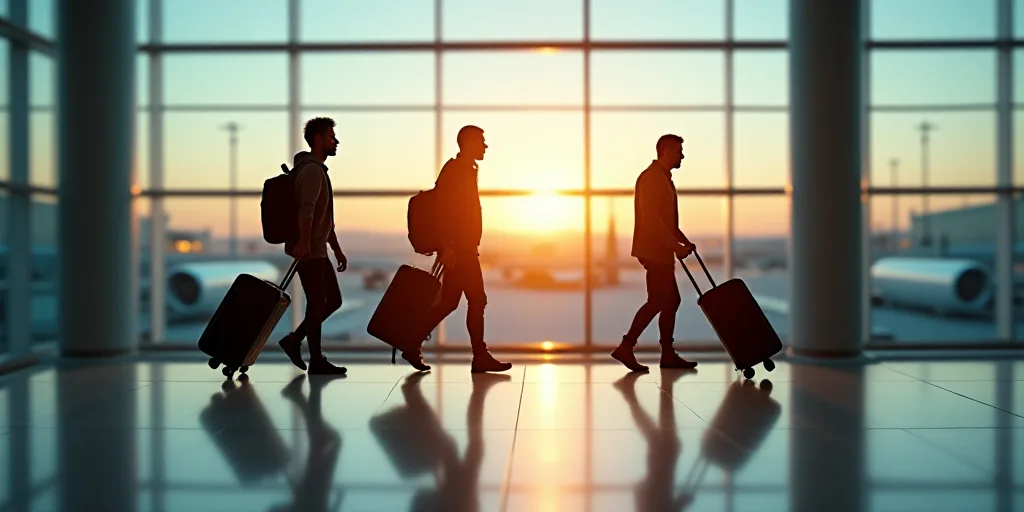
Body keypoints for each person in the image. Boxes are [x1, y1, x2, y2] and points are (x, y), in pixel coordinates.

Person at [400, 125, 512, 374]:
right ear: (469, 142)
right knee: (477, 300)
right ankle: (479, 356)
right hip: (460, 250)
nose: (485, 146)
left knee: (450, 302)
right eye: (482, 141)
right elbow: (445, 212)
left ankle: (411, 342)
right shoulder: (457, 170)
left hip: (463, 247)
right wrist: (448, 245)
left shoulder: (466, 169)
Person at [611, 134, 699, 372]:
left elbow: (665, 221)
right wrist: (675, 247)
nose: (682, 155)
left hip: (661, 249)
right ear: (667, 151)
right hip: (655, 250)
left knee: (670, 300)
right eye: (679, 150)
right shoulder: (652, 178)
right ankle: (627, 347)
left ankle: (665, 353)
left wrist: (683, 242)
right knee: (660, 300)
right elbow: (651, 220)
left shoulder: (661, 178)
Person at [277, 117, 349, 375]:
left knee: (332, 301)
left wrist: (336, 248)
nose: (336, 141)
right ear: (318, 140)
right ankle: (315, 359)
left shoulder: (315, 170)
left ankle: (295, 340)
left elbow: (323, 218)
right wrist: (305, 242)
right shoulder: (311, 172)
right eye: (331, 136)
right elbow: (306, 211)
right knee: (318, 302)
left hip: (317, 249)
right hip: (309, 251)